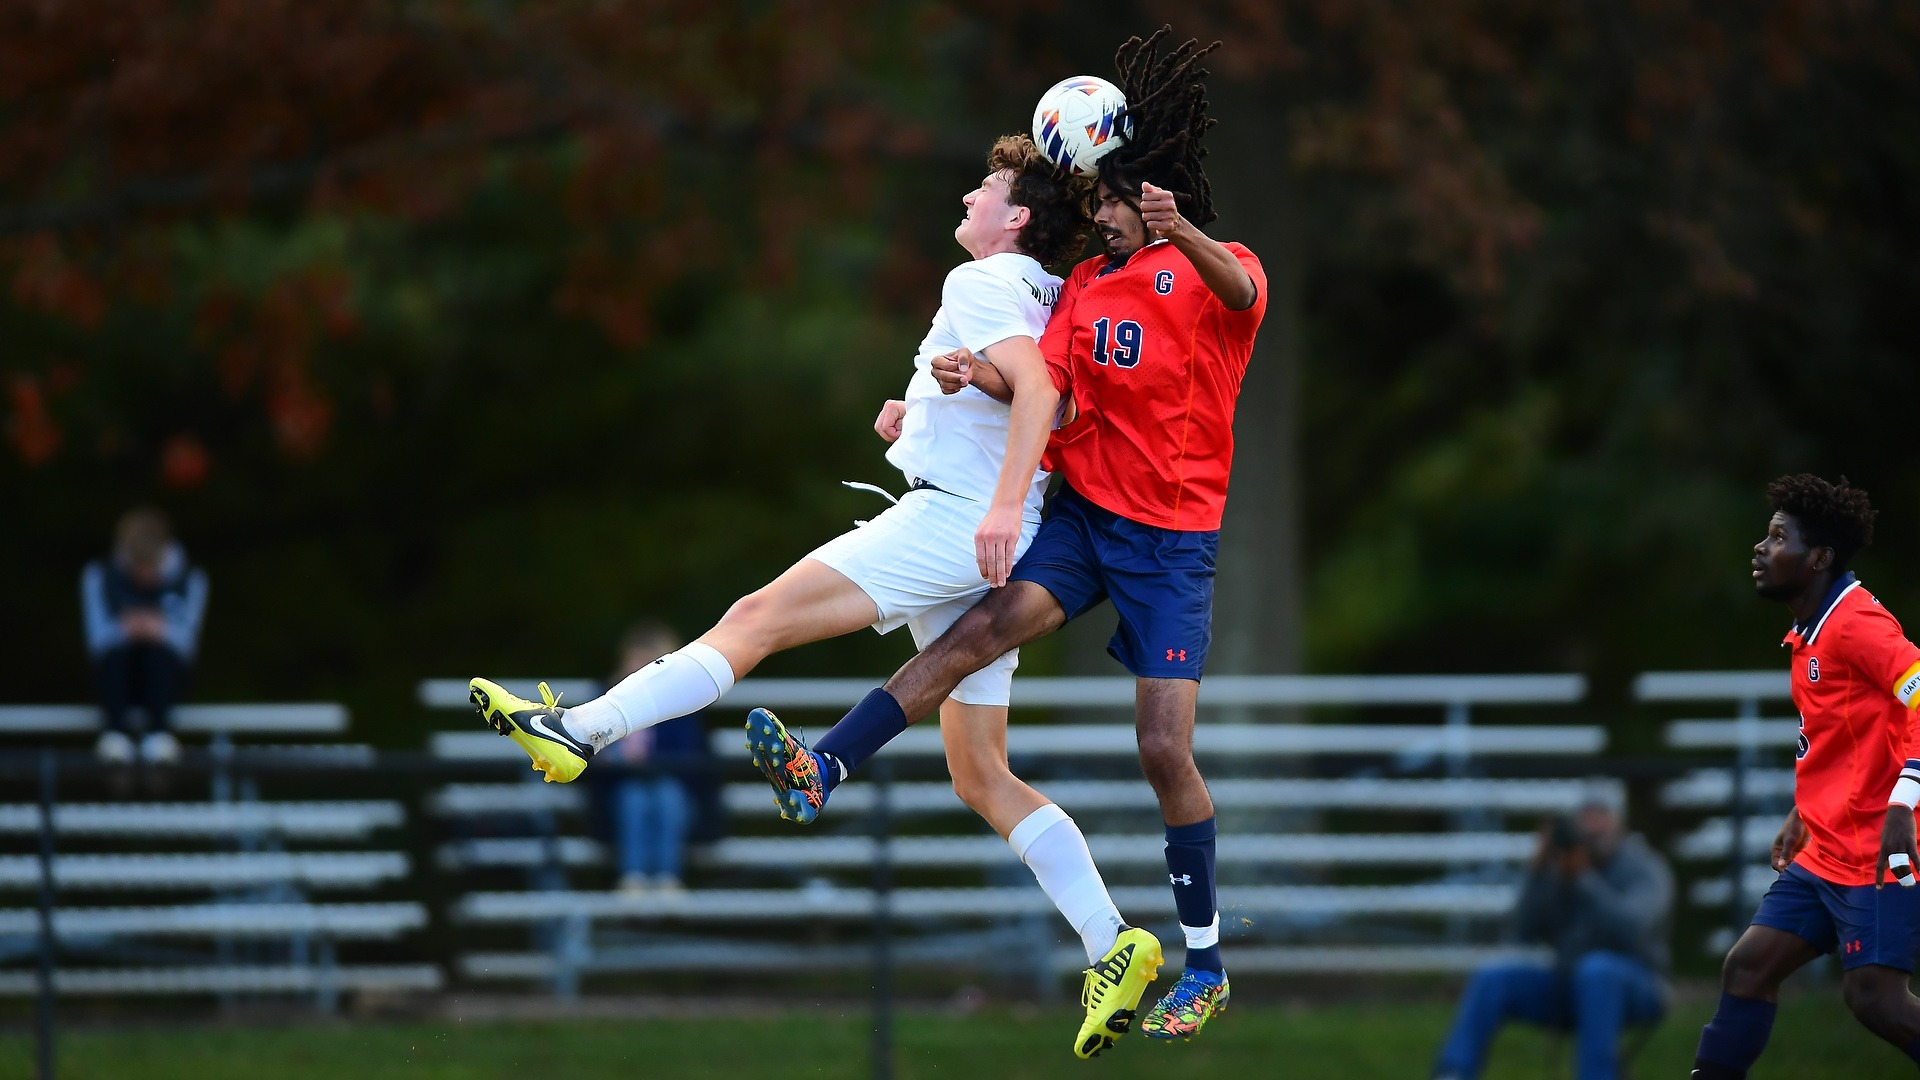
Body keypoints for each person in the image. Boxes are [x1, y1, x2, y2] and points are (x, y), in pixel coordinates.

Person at [467, 134, 1149, 1054]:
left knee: (752, 622)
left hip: (957, 527)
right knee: (980, 774)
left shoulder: (981, 281)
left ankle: (578, 732)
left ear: (1016, 217)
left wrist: (991, 507)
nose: (969, 197)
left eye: (985, 188)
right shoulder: (1050, 293)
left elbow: (1032, 392)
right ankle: (1114, 942)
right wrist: (929, 413)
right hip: (987, 527)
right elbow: (1056, 400)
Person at [745, 29, 1265, 1048]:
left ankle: (1204, 964)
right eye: (1098, 203)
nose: (1100, 217)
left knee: (1162, 746)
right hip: (1087, 523)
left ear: (1152, 197)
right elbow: (1049, 391)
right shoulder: (1086, 294)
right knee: (975, 636)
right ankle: (826, 769)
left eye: (1113, 202)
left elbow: (1245, 296)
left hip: (1172, 547)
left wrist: (1182, 232)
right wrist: (967, 380)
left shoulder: (1215, 267)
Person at [1692, 474, 1920, 1078]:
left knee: (1875, 999)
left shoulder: (1858, 626)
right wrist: (1803, 812)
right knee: (1749, 966)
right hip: (1827, 849)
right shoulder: (1811, 631)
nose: (1760, 549)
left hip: (1882, 852)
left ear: (1818, 557)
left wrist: (1906, 798)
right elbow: (1847, 735)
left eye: (1776, 537)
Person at [1431, 799, 1673, 1080]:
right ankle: (1453, 1073)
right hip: (1568, 982)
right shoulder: (1561, 869)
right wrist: (1540, 870)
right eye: (1586, 818)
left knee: (1597, 971)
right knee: (1493, 977)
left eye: (1601, 817)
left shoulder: (1645, 869)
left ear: (1620, 823)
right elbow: (1521, 932)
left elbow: (1632, 931)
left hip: (1639, 984)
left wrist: (1584, 879)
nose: (1593, 828)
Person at [80, 507, 208, 765]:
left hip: (167, 679)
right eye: (139, 567)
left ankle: (160, 736)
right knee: (117, 656)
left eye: (151, 567)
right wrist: (126, 630)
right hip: (115, 678)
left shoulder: (191, 577)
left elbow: (187, 644)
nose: (145, 577)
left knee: (156, 655)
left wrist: (159, 631)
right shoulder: (100, 575)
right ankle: (115, 736)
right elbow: (97, 642)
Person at [590, 622, 710, 894]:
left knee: (667, 797)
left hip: (671, 786)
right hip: (619, 789)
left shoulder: (683, 703)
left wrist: (648, 763)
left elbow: (689, 759)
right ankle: (632, 878)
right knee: (634, 798)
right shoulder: (604, 700)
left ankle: (668, 878)